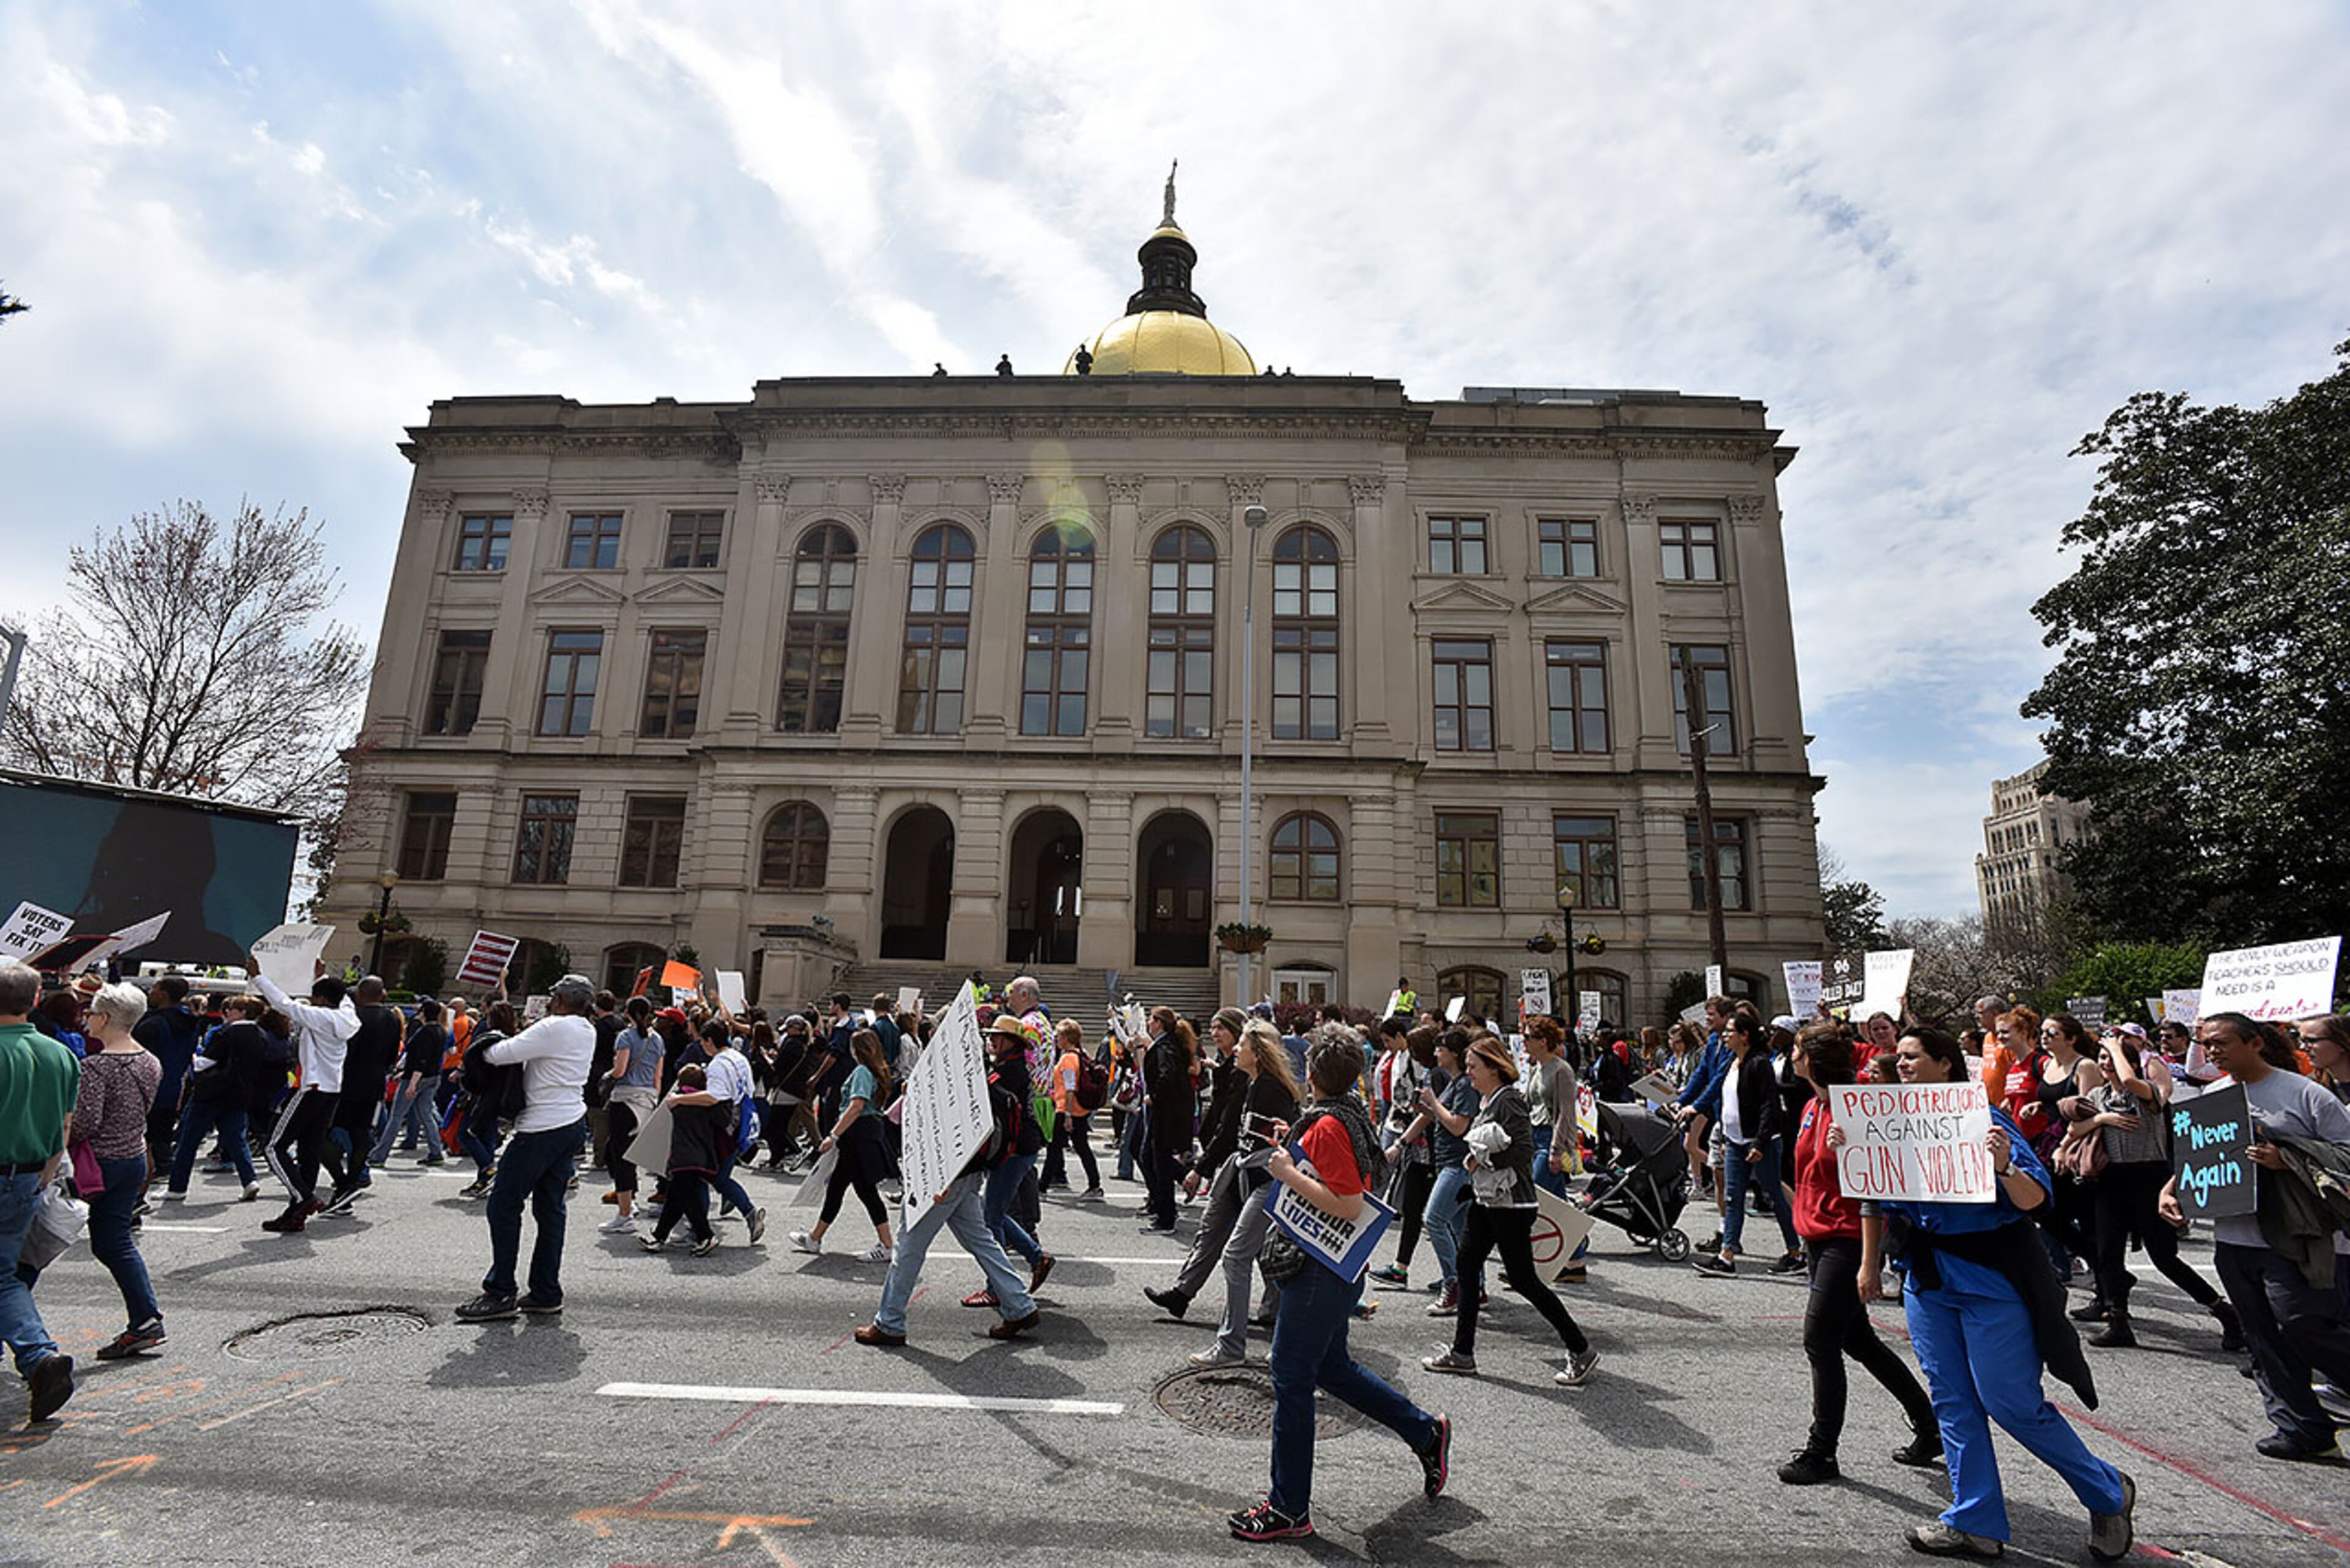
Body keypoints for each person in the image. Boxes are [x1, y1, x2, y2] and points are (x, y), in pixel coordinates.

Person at [1851, 1025, 2134, 1561]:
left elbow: (2037, 1201)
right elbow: (1877, 1195)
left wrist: (2002, 1166)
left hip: (1991, 1282)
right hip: (1927, 1282)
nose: (1902, 1064)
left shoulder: (1987, 1120)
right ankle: (1975, 1520)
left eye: (1912, 1057)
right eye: (1899, 1058)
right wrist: (1856, 1154)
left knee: (2012, 1403)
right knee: (1952, 1400)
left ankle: (2107, 1491)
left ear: (1944, 1064)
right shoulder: (1888, 1124)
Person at [1228, 1032, 1449, 1542]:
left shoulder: (1329, 1123)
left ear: (1314, 1073)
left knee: (1290, 1376)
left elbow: (1347, 1201)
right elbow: (1338, 1170)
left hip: (1319, 1270)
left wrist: (1285, 1170)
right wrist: (1296, 1149)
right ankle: (1425, 1431)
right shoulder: (1347, 1112)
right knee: (1333, 1369)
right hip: (1336, 1268)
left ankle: (1288, 1509)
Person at [2161, 1012, 2350, 1463]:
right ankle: (2302, 1427)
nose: (2213, 1052)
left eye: (2222, 1043)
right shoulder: (2213, 1097)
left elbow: (2345, 1157)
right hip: (2235, 1240)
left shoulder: (2307, 1094)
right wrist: (2170, 1193)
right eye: (2207, 1045)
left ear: (2256, 1044)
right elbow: (2194, 1159)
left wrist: (2287, 1159)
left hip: (2293, 1238)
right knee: (2262, 1337)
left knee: (2303, 1326)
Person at [1775, 1021, 1939, 1485]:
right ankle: (1930, 1428)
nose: (1792, 1055)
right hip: (1818, 1237)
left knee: (1820, 1341)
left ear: (1813, 1060)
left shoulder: (1859, 1109)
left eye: (1798, 1049)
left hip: (1847, 1238)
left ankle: (1822, 1451)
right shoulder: (1812, 1105)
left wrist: (1871, 1262)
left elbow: (1876, 1187)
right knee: (1858, 1341)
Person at [1419, 1036, 1599, 1386]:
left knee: (1523, 1279)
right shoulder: (1489, 1099)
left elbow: (1519, 1150)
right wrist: (1476, 1157)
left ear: (1493, 1067)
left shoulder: (1510, 1101)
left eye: (1474, 1067)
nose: (1469, 1072)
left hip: (1512, 1204)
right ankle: (1462, 1353)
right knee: (1467, 1266)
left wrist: (1484, 1154)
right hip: (1489, 1201)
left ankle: (1581, 1349)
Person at [2070, 1028, 2235, 1350]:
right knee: (2108, 1254)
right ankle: (2117, 1319)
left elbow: (2131, 1082)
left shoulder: (2147, 1093)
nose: (2106, 1063)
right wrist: (2102, 1119)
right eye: (2101, 1057)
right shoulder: (2098, 1098)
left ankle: (2224, 1311)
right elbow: (2076, 1127)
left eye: (2112, 1058)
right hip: (2112, 1180)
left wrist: (2118, 1048)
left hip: (2149, 1178)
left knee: (2165, 1258)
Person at [455, 975, 597, 1322]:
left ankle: (501, 1290)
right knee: (551, 1210)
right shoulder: (586, 1029)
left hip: (541, 1126)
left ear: (561, 999)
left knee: (503, 1205)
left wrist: (483, 1043)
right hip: (571, 1121)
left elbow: (500, 1054)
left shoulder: (553, 1027)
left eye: (553, 997)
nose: (549, 1002)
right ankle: (546, 1291)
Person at [1150, 1015, 1296, 1327]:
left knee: (1246, 1252)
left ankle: (1247, 1327)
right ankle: (1182, 1294)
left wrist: (1202, 1167)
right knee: (1212, 1230)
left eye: (1238, 1041)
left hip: (1260, 1177)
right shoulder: (1244, 1076)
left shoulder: (1266, 1087)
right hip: (1238, 1170)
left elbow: (1240, 1130)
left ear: (1257, 1053)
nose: (1218, 1036)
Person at [0, 960, 81, 1421]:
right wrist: (46, 1173)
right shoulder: (59, 1054)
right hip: (31, 1175)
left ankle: (37, 1355)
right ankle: (36, 1355)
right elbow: (64, 1126)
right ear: (33, 1000)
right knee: (5, 1272)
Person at [250, 958, 359, 1235]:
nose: (310, 999)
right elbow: (341, 996)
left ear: (322, 1000)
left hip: (310, 1087)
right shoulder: (346, 1014)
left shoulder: (321, 1017)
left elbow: (285, 1005)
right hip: (331, 1090)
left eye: (314, 996)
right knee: (309, 1150)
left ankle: (302, 1198)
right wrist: (318, 978)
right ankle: (295, 1213)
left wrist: (259, 977)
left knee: (273, 1147)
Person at [1692, 1010, 1804, 1277]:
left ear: (1745, 1036)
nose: (1725, 1035)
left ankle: (1796, 1252)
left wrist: (1760, 1142)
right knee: (1733, 1199)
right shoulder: (1733, 1061)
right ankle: (1727, 1255)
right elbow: (1723, 1096)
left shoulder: (1759, 1063)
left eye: (1731, 1031)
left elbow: (1769, 1106)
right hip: (1735, 1141)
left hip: (1759, 1142)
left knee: (1774, 1196)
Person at [787, 1028, 897, 1261]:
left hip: (857, 1137)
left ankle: (886, 1244)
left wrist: (833, 1136)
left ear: (858, 1050)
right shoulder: (878, 1071)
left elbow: (856, 1106)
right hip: (865, 1135)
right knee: (841, 1188)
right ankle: (815, 1238)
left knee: (863, 1192)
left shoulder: (862, 1072)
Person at [162, 994, 267, 1202]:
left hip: (211, 1093)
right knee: (237, 1140)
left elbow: (204, 1063)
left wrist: (193, 1057)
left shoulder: (226, 1033)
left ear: (243, 1012)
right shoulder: (260, 1035)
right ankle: (249, 1180)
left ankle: (177, 1187)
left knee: (189, 1141)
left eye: (233, 1010)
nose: (228, 1013)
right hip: (240, 1093)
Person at [1408, 1032, 1482, 1316]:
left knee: (1434, 1220)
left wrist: (1433, 1103)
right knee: (1462, 1230)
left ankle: (1454, 1284)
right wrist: (1427, 1108)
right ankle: (1476, 1286)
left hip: (1458, 1164)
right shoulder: (1456, 1084)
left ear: (1453, 1053)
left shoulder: (1464, 1085)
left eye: (1441, 1048)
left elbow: (1458, 1126)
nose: (1436, 1053)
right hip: (1452, 1162)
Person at [323, 976, 402, 1213]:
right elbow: (392, 1055)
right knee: (361, 1135)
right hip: (375, 1083)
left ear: (359, 994)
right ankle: (353, 1179)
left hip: (346, 1083)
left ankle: (343, 1182)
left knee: (320, 1134)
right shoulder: (392, 1019)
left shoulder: (353, 1017)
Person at [638, 1064, 723, 1256]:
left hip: (682, 1156)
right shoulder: (706, 1103)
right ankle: (659, 1237)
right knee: (676, 1199)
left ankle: (706, 1235)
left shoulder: (677, 1102)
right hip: (700, 1156)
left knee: (686, 1199)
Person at [130, 974, 203, 1195]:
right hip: (173, 1089)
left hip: (147, 1092)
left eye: (154, 989)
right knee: (155, 1142)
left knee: (140, 1146)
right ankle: (154, 1179)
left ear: (163, 994)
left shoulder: (151, 1025)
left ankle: (137, 1196)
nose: (150, 993)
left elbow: (140, 1062)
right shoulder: (191, 1023)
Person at [597, 997, 662, 1234]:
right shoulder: (657, 1039)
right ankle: (629, 1201)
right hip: (647, 1100)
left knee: (620, 1154)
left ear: (628, 1013)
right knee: (622, 1151)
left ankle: (625, 1213)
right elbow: (659, 1076)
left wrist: (607, 1075)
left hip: (625, 1099)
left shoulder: (625, 1037)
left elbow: (621, 1070)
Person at [375, 999, 449, 1167]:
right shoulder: (441, 1031)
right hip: (433, 1076)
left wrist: (412, 1083)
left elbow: (420, 1060)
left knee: (396, 1116)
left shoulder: (424, 1033)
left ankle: (379, 1155)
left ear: (423, 1013)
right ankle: (436, 1152)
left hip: (417, 1077)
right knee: (426, 1115)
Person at [1140, 1006, 1195, 1235]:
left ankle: (1166, 1217)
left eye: (1151, 1021)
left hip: (1166, 1113)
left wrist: (1154, 1096)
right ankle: (1181, 1183)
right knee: (1150, 1156)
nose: (1148, 1024)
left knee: (1158, 1160)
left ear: (1159, 1023)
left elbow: (1167, 1074)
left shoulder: (1165, 1046)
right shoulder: (1169, 1044)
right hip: (1170, 1112)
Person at [1040, 1017, 1103, 1199]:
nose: (1056, 1040)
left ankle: (1042, 1187)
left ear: (1066, 1038)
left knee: (1054, 1149)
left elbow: (1069, 1088)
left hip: (1067, 1109)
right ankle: (1094, 1185)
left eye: (1059, 1036)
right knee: (1082, 1147)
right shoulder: (1080, 1055)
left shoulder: (1068, 1059)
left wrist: (1067, 1115)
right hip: (1078, 1110)